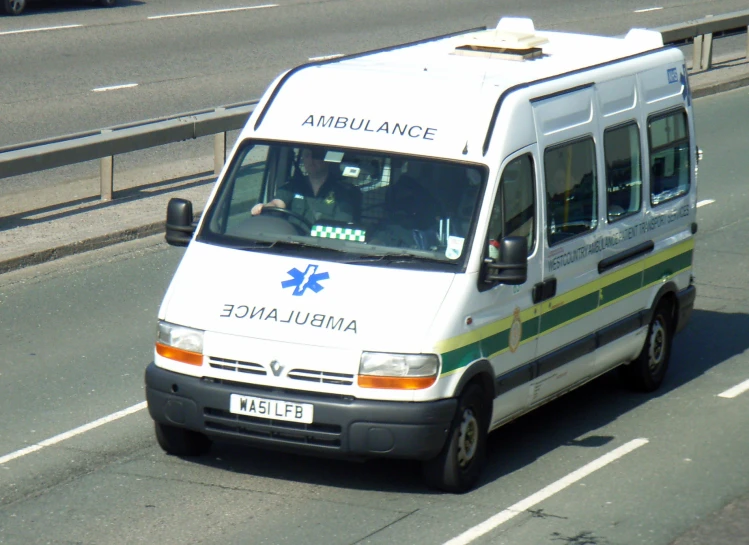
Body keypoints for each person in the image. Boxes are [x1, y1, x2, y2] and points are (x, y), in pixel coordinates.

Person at [251, 147, 362, 226]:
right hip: (290, 243)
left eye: (315, 156)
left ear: (327, 160)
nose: (310, 160)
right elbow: (278, 203)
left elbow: (341, 226)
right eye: (306, 156)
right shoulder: (294, 185)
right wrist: (265, 207)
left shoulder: (345, 192)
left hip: (325, 249)